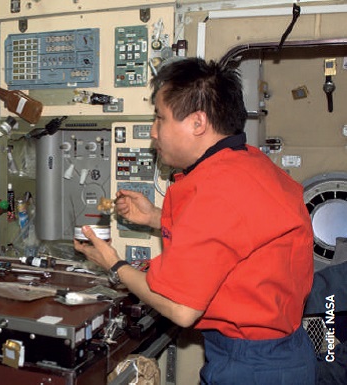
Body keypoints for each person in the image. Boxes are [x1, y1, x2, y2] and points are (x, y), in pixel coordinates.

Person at [75, 57, 315, 384]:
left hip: (252, 367)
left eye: (160, 118)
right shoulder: (249, 162)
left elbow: (180, 309)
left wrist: (114, 265)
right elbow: (236, 236)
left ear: (198, 123)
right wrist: (154, 218)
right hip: (282, 354)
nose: (154, 132)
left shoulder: (216, 189)